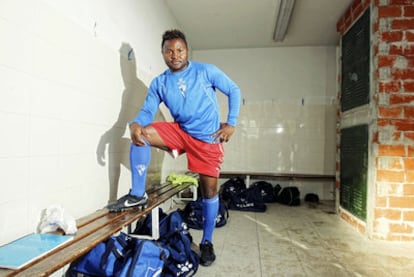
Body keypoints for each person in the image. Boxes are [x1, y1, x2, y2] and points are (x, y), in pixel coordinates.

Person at [107, 29, 241, 266]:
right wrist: (136, 123)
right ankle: (138, 195)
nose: (175, 55)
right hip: (181, 132)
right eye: (169, 51)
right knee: (142, 133)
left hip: (208, 139)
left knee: (209, 191)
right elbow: (148, 111)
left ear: (187, 50)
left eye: (179, 50)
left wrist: (231, 124)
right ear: (163, 53)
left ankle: (207, 241)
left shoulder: (205, 71)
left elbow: (233, 90)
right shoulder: (160, 82)